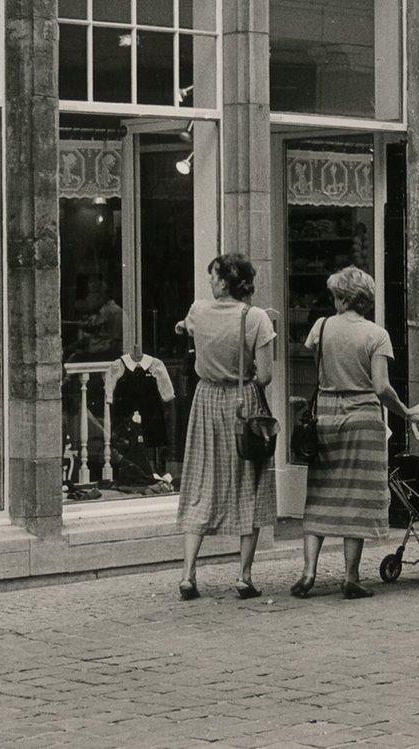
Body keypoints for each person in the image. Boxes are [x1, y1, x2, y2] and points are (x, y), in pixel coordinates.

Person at [291, 266, 419, 600]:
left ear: (341, 296)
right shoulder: (376, 335)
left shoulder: (320, 327)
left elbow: (320, 371)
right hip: (363, 419)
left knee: (320, 494)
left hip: (326, 415)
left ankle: (308, 572)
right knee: (356, 497)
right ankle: (350, 576)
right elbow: (381, 388)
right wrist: (406, 411)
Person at [173, 252, 277, 600]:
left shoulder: (197, 311)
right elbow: (265, 376)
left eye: (213, 276)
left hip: (205, 402)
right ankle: (244, 576)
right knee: (250, 483)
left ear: (224, 281)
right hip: (241, 403)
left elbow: (186, 328)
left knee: (201, 481)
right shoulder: (256, 318)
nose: (209, 282)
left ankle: (188, 574)